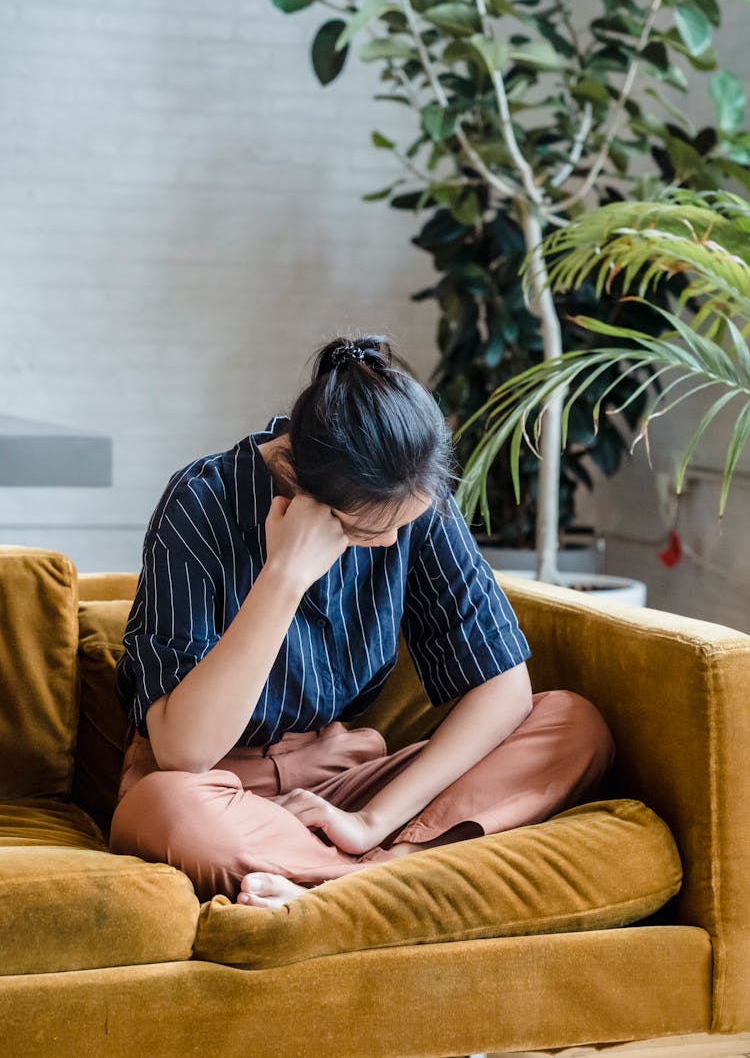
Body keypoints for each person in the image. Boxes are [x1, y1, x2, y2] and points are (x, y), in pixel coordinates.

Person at [110, 334, 615, 910]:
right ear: (300, 485)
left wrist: (371, 822)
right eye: (368, 532)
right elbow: (185, 752)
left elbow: (505, 690)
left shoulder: (406, 494)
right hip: (212, 791)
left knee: (572, 724)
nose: (394, 541)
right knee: (172, 815)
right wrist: (284, 576)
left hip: (340, 788)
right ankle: (385, 880)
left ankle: (355, 875)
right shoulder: (202, 501)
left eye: (406, 522)